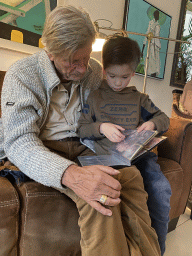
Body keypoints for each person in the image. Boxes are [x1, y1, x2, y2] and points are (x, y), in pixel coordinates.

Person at [0, 6, 161, 256]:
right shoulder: (23, 75)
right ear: (50, 52)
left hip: (83, 147)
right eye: (73, 61)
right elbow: (19, 142)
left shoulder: (94, 71)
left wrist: (129, 136)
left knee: (131, 177)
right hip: (42, 149)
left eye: (85, 58)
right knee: (100, 197)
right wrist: (73, 175)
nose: (83, 69)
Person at [78, 34, 171, 255]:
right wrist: (101, 127)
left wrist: (151, 123)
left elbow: (164, 119)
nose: (119, 82)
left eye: (125, 77)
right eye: (112, 76)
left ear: (133, 72)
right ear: (103, 70)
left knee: (160, 189)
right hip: (108, 157)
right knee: (109, 196)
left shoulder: (139, 98)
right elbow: (81, 128)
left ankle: (159, 250)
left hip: (139, 157)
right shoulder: (95, 97)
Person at [141, 9, 161, 77]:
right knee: (151, 59)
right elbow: (147, 34)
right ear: (154, 15)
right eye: (157, 15)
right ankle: (150, 72)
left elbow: (157, 35)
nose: (158, 16)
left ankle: (155, 72)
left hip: (157, 44)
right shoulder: (151, 23)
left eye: (158, 15)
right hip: (152, 44)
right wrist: (143, 48)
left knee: (156, 60)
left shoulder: (158, 24)